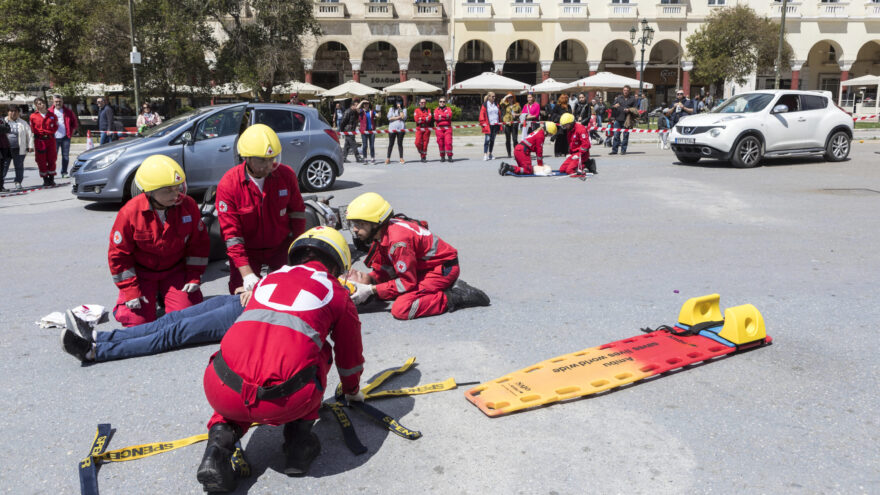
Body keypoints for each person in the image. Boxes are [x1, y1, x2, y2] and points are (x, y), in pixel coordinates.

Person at [197, 227, 364, 491]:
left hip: (220, 388)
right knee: (320, 352)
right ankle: (299, 443)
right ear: (339, 263)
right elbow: (349, 355)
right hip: (286, 400)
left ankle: (217, 446)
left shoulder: (267, 279)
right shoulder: (337, 293)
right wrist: (352, 391)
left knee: (245, 361)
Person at [345, 192, 490, 320]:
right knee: (388, 289)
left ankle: (456, 296)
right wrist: (370, 282)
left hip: (442, 270)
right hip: (427, 267)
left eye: (360, 224)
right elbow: (389, 267)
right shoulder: (387, 229)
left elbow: (406, 282)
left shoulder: (398, 242)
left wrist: (371, 290)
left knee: (401, 308)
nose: (356, 229)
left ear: (375, 223)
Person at [109, 155, 209, 326]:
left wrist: (193, 277)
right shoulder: (130, 213)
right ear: (149, 191)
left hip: (174, 271)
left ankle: (165, 296)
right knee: (137, 323)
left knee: (188, 319)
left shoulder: (188, 205)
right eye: (168, 190)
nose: (176, 194)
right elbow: (119, 256)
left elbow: (198, 245)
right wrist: (130, 290)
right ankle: (131, 302)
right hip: (142, 274)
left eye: (177, 188)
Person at [216, 123, 307, 295]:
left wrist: (298, 250)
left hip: (280, 247)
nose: (268, 165)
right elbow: (232, 236)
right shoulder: (229, 184)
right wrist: (247, 273)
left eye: (272, 158)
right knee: (241, 296)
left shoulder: (286, 175)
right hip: (247, 252)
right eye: (262, 160)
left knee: (287, 293)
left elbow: (297, 213)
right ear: (247, 158)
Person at [60, 290, 250, 363]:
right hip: (251, 296)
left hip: (254, 312)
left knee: (174, 332)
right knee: (170, 319)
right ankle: (98, 337)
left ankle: (94, 352)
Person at [29, 97, 59, 186]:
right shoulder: (33, 116)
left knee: (52, 159)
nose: (41, 105)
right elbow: (33, 129)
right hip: (40, 140)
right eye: (38, 104)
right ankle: (45, 179)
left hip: (50, 140)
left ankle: (51, 178)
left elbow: (55, 127)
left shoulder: (52, 115)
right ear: (36, 106)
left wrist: (48, 132)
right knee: (41, 160)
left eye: (42, 103)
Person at [1, 105, 32, 190]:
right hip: (5, 148)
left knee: (19, 166)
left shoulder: (23, 122)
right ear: (8, 112)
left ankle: (18, 182)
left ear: (18, 113)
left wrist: (30, 145)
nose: (13, 113)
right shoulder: (2, 121)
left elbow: (29, 134)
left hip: (19, 148)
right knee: (3, 167)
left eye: (15, 111)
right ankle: (1, 184)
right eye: (11, 111)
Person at [49, 95, 79, 178]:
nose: (58, 103)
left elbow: (74, 123)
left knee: (65, 156)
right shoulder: (49, 112)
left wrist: (71, 133)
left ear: (62, 102)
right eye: (56, 101)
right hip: (53, 138)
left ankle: (64, 172)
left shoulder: (68, 112)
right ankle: (51, 172)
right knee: (53, 157)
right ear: (53, 102)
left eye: (59, 101)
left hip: (65, 137)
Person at [610, 85, 638, 155]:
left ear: (629, 91)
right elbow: (612, 107)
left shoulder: (633, 99)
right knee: (616, 135)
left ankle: (623, 150)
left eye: (627, 90)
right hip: (618, 119)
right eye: (624, 90)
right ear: (623, 91)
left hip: (627, 120)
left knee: (625, 136)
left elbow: (635, 109)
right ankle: (614, 150)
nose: (625, 92)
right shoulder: (619, 98)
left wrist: (629, 109)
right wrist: (614, 106)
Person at [479, 92, 501, 161]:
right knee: (487, 140)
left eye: (494, 96)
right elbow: (482, 115)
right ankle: (485, 154)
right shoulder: (485, 105)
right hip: (488, 125)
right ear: (489, 97)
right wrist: (483, 123)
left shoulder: (496, 104)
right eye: (492, 96)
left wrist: (499, 122)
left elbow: (499, 113)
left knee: (492, 140)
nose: (494, 98)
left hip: (495, 124)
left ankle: (490, 154)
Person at [500, 93, 520, 158]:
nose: (510, 99)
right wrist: (505, 96)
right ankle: (509, 153)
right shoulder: (506, 105)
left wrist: (516, 115)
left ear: (513, 98)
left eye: (511, 97)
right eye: (509, 98)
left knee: (515, 139)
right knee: (508, 139)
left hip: (514, 123)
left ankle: (516, 153)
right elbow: (501, 103)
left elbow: (521, 113)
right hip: (507, 123)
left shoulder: (517, 105)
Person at [433, 97, 453, 162]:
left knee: (448, 142)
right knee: (440, 143)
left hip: (448, 128)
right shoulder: (436, 110)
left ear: (445, 103)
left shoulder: (449, 109)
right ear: (438, 102)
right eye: (441, 101)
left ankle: (449, 156)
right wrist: (445, 116)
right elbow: (436, 117)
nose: (442, 103)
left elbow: (449, 116)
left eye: (443, 101)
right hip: (439, 129)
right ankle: (442, 156)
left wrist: (440, 116)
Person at [413, 98, 433, 163]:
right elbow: (416, 120)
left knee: (425, 143)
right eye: (422, 102)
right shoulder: (416, 110)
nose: (423, 104)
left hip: (427, 128)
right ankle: (420, 150)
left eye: (424, 102)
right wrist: (425, 118)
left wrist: (421, 118)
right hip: (419, 128)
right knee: (417, 142)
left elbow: (429, 119)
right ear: (419, 103)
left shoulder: (428, 110)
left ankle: (423, 157)